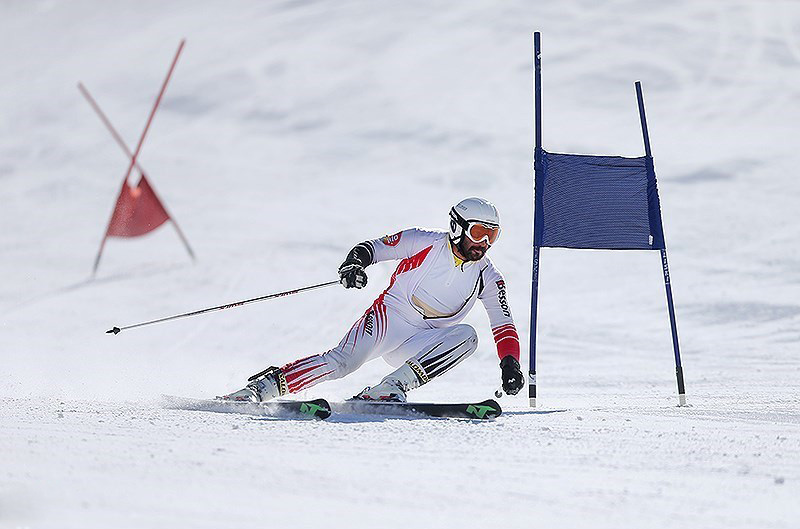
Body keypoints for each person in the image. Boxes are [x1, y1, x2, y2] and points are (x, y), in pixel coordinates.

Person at [221, 197, 524, 403]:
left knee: (467, 337)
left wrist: (510, 364)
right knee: (342, 363)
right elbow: (373, 248)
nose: (484, 243)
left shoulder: (488, 276)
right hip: (389, 318)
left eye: (492, 236)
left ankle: (391, 388)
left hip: (420, 343)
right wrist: (353, 265)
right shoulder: (425, 242)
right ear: (458, 227)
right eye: (479, 232)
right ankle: (262, 389)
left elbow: (503, 324)